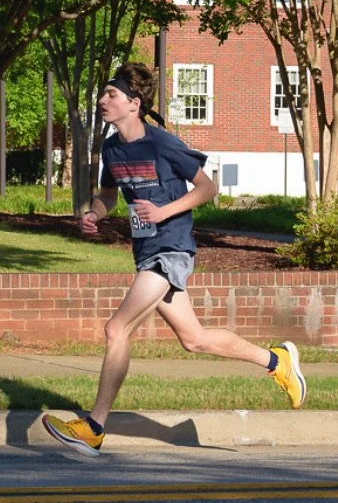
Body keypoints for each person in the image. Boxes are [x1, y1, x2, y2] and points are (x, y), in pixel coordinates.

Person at [41, 62, 306, 457]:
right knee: (194, 340)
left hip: (171, 249)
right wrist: (95, 213)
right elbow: (109, 194)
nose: (102, 101)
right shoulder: (112, 148)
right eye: (103, 95)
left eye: (110, 95)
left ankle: (94, 427)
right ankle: (277, 361)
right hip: (146, 250)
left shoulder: (161, 143)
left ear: (134, 103)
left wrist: (164, 212)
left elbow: (207, 187)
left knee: (116, 330)